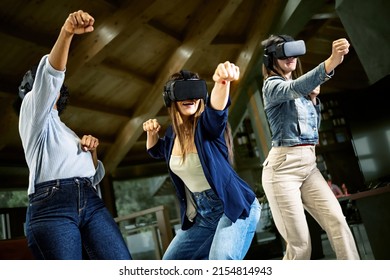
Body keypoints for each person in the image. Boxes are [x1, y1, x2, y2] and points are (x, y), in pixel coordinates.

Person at [14, 10, 132, 260]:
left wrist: (92, 149)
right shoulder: (32, 111)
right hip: (52, 208)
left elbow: (93, 174)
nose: (48, 87)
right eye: (42, 84)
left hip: (90, 199)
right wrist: (67, 32)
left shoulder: (66, 131)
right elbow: (51, 75)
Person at [142, 62, 261, 260]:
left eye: (195, 90)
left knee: (219, 261)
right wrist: (151, 134)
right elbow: (157, 151)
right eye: (182, 91)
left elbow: (217, 111)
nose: (189, 97)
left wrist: (221, 82)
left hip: (232, 207)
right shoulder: (173, 134)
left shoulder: (207, 126)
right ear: (170, 98)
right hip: (203, 215)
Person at [260, 34, 359, 260]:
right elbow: (294, 87)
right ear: (271, 59)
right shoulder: (272, 86)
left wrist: (313, 100)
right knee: (300, 245)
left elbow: (312, 130)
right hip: (282, 171)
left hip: (309, 167)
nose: (291, 58)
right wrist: (332, 60)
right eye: (284, 54)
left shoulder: (302, 91)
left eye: (294, 53)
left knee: (338, 224)